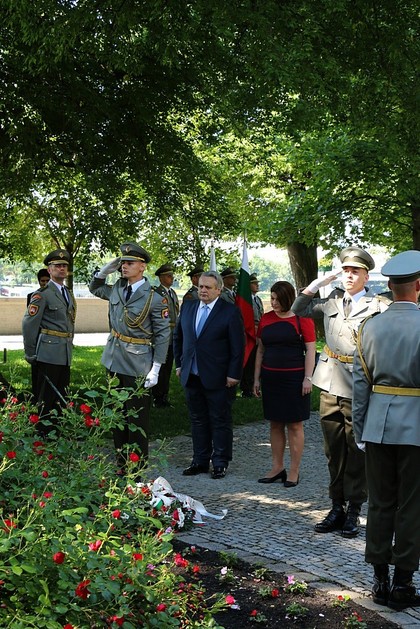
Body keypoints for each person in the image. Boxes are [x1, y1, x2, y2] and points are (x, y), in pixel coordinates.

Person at [292, 246, 391, 537]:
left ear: (366, 276)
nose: (349, 276)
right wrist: (315, 285)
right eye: (346, 271)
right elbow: (298, 310)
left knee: (356, 450)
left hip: (360, 386)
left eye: (355, 271)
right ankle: (336, 506)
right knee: (333, 450)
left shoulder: (378, 305)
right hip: (330, 382)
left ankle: (355, 510)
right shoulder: (332, 299)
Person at [353, 250, 420, 610]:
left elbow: (360, 385)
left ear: (391, 287)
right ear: (418, 287)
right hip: (417, 428)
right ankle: (403, 583)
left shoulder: (369, 327)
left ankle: (379, 578)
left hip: (377, 427)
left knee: (380, 503)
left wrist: (360, 430)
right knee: (412, 505)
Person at [89, 242, 170, 468]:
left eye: (130, 263)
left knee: (137, 417)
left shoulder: (154, 297)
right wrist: (105, 270)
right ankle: (121, 464)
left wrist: (156, 368)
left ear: (142, 266)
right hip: (114, 359)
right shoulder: (116, 288)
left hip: (138, 362)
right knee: (117, 416)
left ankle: (137, 468)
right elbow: (94, 288)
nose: (124, 266)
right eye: (123, 263)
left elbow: (163, 335)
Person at [173, 271, 245, 479]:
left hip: (219, 376)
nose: (202, 290)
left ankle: (220, 462)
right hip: (191, 374)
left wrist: (234, 374)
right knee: (197, 419)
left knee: (220, 419)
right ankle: (200, 460)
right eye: (200, 287)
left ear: (218, 290)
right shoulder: (188, 307)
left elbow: (237, 347)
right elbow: (179, 337)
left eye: (208, 287)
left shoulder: (229, 312)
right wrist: (180, 364)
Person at [254, 281, 316, 487]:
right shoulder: (265, 319)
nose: (273, 303)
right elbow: (260, 351)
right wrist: (256, 378)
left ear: (288, 299)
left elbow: (311, 352)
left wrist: (308, 378)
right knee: (275, 423)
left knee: (295, 425)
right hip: (271, 379)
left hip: (294, 380)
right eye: (271, 299)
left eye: (277, 300)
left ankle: (294, 471)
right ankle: (277, 467)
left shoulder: (302, 321)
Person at [22, 249, 75, 437]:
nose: (61, 269)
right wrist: (30, 353)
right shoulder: (42, 294)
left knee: (62, 395)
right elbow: (29, 323)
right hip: (48, 351)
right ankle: (42, 434)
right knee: (46, 398)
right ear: (49, 269)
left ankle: (57, 433)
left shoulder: (67, 293)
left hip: (64, 352)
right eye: (57, 266)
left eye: (64, 266)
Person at [153, 263, 179, 408]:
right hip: (162, 336)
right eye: (169, 276)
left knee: (168, 367)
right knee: (160, 367)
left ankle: (164, 395)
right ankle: (158, 397)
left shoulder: (172, 293)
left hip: (172, 336)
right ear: (162, 278)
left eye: (172, 275)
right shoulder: (156, 293)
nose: (172, 278)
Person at [26, 268, 51, 400]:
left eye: (47, 280)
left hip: (48, 339)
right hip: (37, 337)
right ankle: (36, 396)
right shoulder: (34, 296)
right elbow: (31, 320)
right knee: (36, 371)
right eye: (42, 281)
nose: (45, 283)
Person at [240, 273, 265, 397]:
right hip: (249, 332)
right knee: (249, 360)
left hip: (258, 332)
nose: (257, 285)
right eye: (254, 283)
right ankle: (246, 387)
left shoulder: (257, 299)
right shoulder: (246, 300)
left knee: (256, 358)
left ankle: (254, 385)